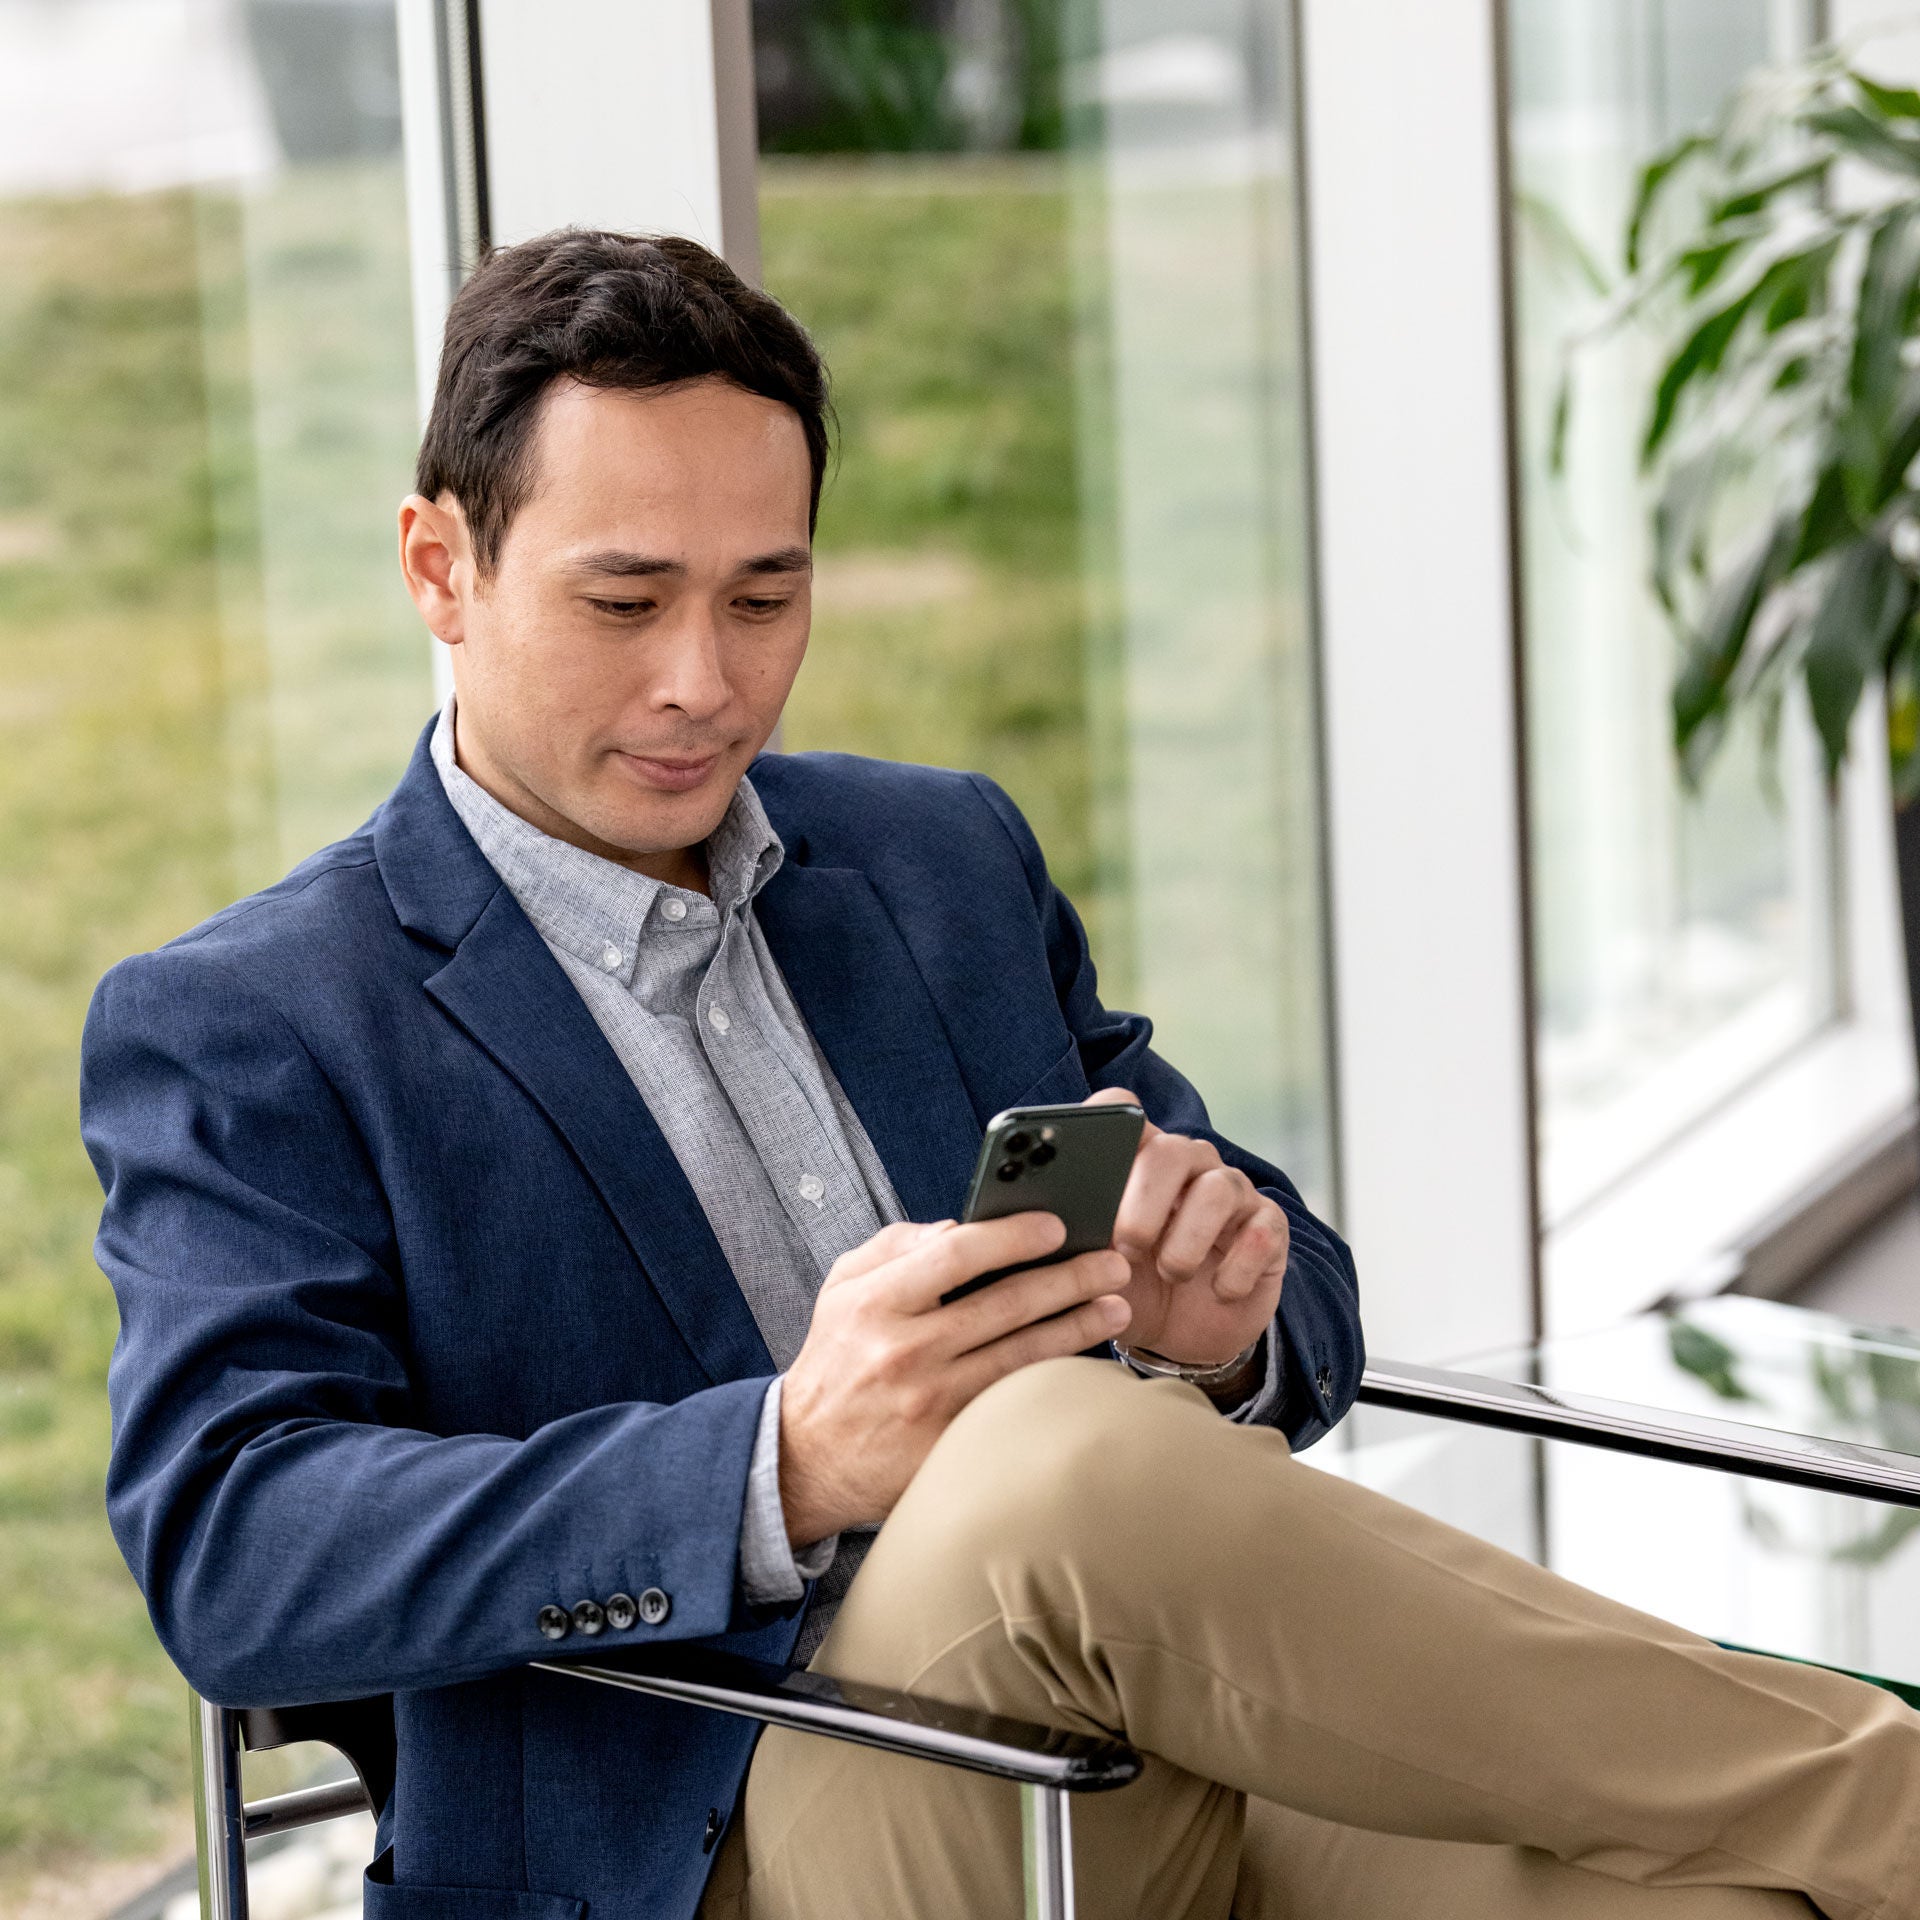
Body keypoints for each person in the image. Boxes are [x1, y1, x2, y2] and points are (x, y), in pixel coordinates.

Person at [81, 229, 1920, 1920]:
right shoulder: (258, 1017)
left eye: (767, 595)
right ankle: (1892, 1788)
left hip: (1135, 1752)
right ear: (441, 568)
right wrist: (780, 1464)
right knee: (1047, 1449)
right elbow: (237, 1551)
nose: (706, 685)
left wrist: (1225, 1323)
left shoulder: (937, 860)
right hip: (703, 1840)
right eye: (624, 603)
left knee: (1740, 1901)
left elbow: (1305, 1313)